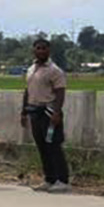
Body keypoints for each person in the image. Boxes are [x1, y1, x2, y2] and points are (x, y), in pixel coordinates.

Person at [23, 38, 71, 192]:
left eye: (44, 48)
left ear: (49, 50)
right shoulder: (31, 69)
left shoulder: (54, 70)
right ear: (33, 50)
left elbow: (60, 93)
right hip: (35, 112)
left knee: (53, 145)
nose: (41, 51)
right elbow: (28, 91)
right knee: (42, 146)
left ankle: (62, 180)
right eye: (38, 48)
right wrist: (23, 111)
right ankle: (49, 179)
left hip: (49, 113)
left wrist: (57, 112)